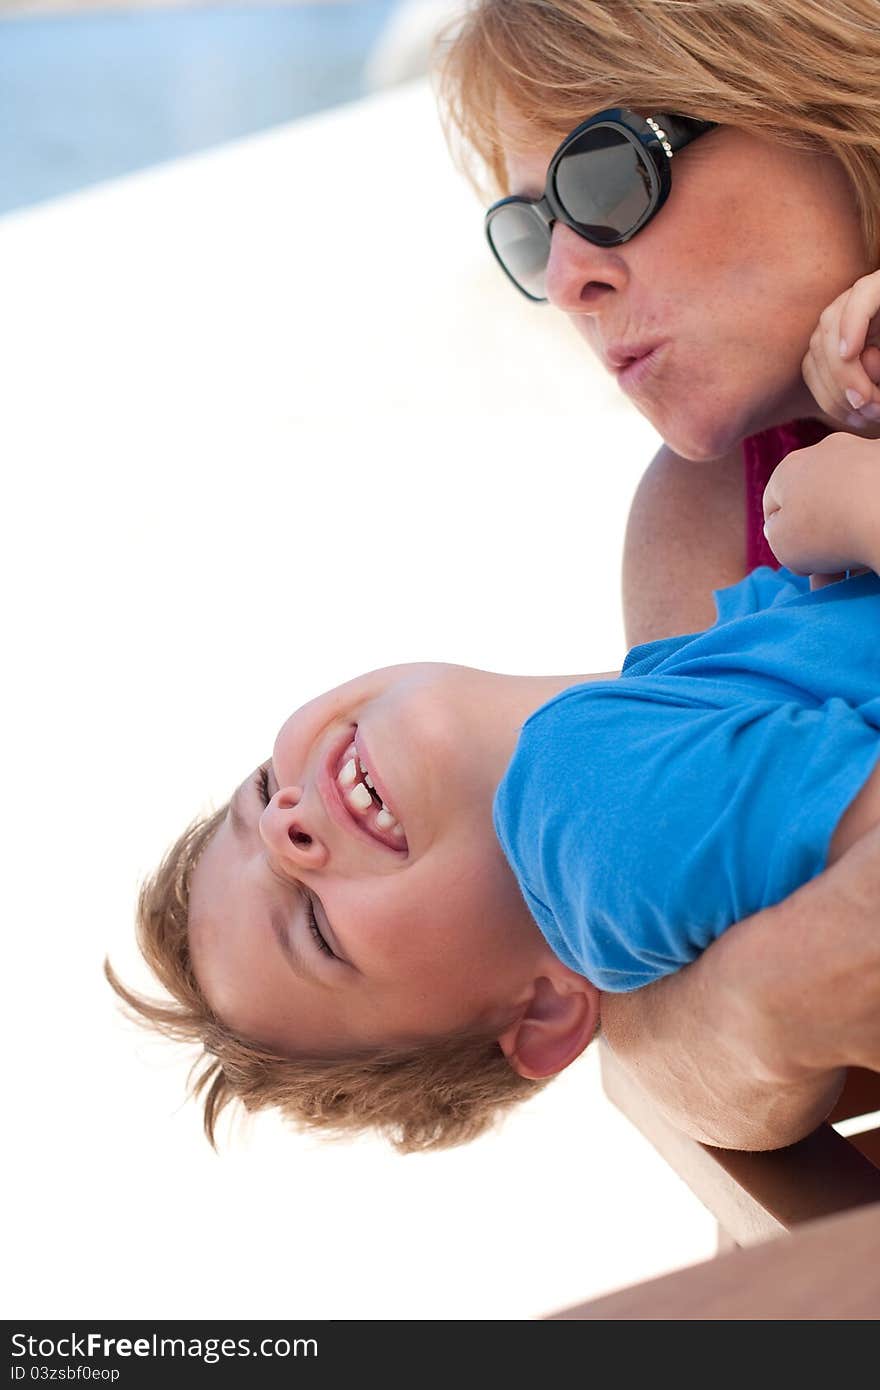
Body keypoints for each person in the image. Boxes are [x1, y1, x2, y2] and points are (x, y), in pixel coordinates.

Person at [107, 421, 880, 1155]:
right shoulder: (585, 798)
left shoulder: (732, 645)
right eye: (313, 928)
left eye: (263, 788)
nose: (285, 827)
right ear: (543, 1012)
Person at [432, 0, 880, 1148]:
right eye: (534, 231)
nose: (572, 277)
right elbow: (675, 1048)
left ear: (810, 94)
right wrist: (774, 994)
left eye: (605, 177)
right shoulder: (700, 514)